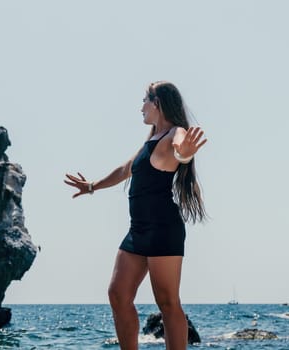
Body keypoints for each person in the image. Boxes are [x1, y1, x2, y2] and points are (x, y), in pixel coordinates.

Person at [64, 81, 207, 350]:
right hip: (138, 230)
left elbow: (180, 149)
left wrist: (185, 155)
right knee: (118, 294)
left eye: (145, 100)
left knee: (167, 303)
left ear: (158, 103)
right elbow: (125, 169)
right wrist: (92, 186)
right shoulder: (150, 141)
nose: (141, 107)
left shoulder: (174, 133)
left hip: (163, 229)